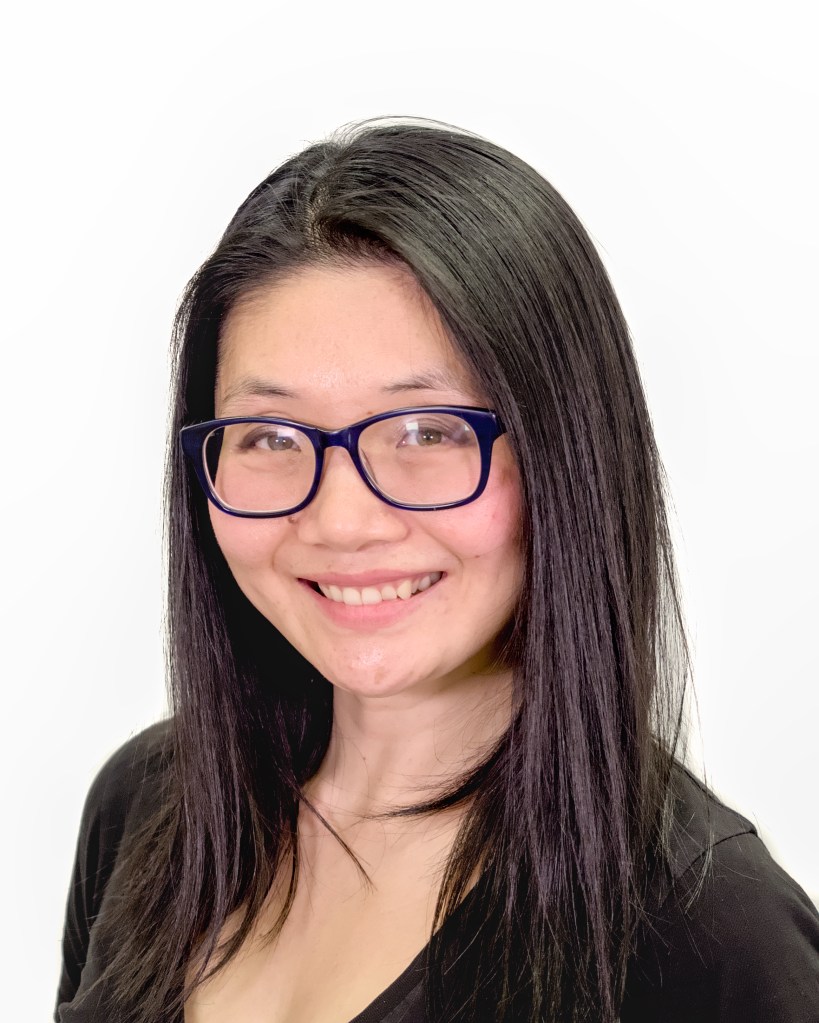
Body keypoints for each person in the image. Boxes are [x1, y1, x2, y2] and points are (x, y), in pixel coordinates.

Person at [55, 118, 819, 1023]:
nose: (340, 521)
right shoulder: (150, 805)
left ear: (564, 458)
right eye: (269, 435)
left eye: (427, 430)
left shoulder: (712, 937)